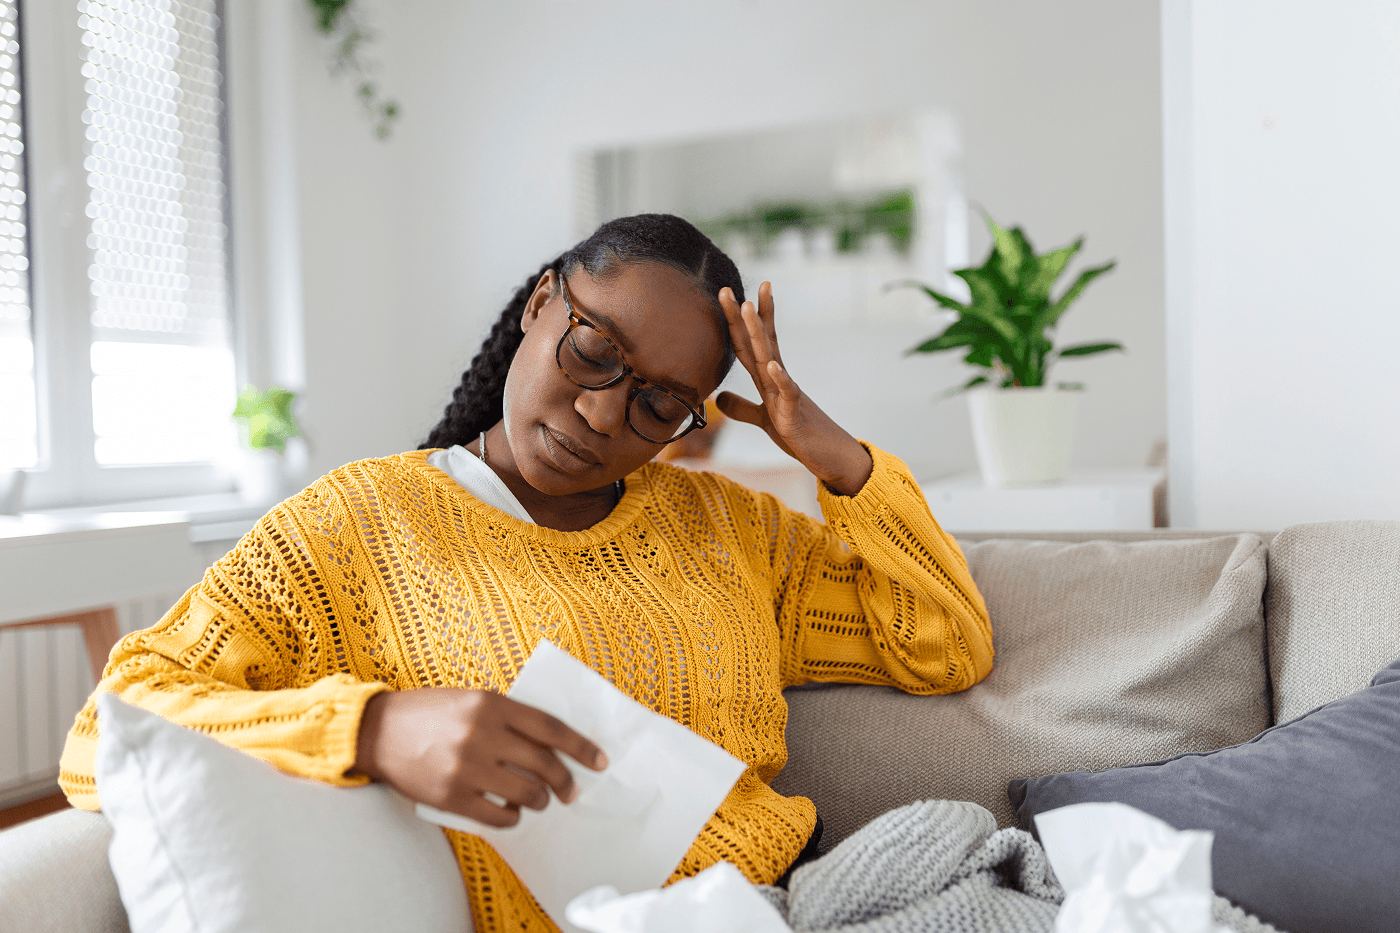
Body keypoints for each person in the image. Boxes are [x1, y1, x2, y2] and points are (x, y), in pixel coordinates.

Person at [58, 214, 994, 932]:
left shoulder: (729, 528)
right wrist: (374, 727)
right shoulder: (360, 522)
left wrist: (831, 453)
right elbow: (112, 725)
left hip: (792, 900)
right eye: (595, 350)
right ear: (540, 301)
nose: (600, 414)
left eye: (658, 402)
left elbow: (945, 645)